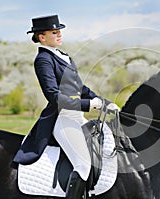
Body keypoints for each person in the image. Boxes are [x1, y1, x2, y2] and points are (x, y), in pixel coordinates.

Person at [13, 14, 120, 198]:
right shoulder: (44, 59)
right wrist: (88, 105)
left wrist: (102, 103)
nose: (59, 35)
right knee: (84, 165)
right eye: (54, 32)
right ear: (42, 37)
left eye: (59, 31)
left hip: (77, 118)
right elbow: (54, 96)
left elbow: (80, 88)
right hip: (61, 118)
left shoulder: (64, 56)